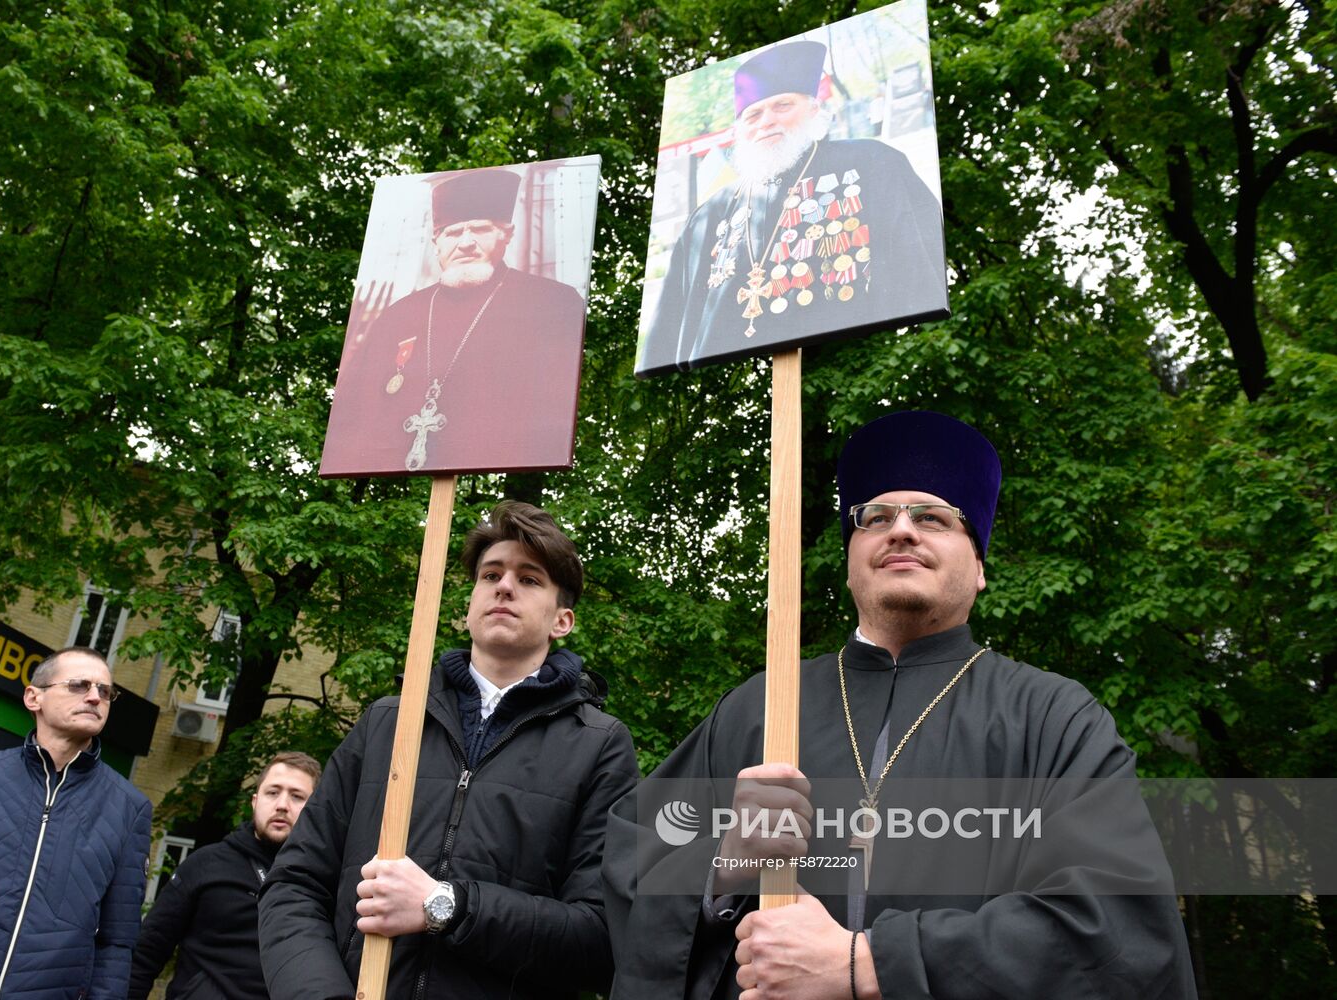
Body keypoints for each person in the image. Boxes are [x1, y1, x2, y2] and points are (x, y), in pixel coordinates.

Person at [604, 411, 1199, 999]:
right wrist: (723, 868)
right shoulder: (759, 708)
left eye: (934, 517)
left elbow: (1115, 927)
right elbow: (631, 861)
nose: (902, 530)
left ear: (981, 566)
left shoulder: (1053, 718)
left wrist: (867, 965)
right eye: (876, 516)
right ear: (850, 555)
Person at [260, 500, 640, 999]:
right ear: (469, 604)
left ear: (562, 621)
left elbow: (601, 937)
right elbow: (294, 886)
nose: (504, 585)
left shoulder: (601, 745)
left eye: (529, 580)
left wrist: (446, 906)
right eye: (490, 575)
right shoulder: (388, 723)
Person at [639, 40, 948, 377]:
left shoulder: (874, 163)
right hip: (739, 376)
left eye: (782, 106)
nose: (766, 121)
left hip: (852, 364)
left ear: (814, 110)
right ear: (738, 131)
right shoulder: (709, 214)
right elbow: (672, 333)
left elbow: (916, 275)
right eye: (753, 114)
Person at [320, 169, 588, 477]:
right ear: (436, 242)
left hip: (496, 471)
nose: (466, 242)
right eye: (452, 232)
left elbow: (548, 418)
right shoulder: (397, 317)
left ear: (506, 235)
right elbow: (356, 417)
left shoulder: (553, 302)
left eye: (480, 229)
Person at [0, 646, 152, 1000]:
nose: (95, 697)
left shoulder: (129, 809)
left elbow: (118, 941)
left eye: (105, 691)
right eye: (79, 685)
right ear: (33, 697)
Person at [127, 751, 322, 1000]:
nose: (282, 804)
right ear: (255, 801)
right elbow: (146, 954)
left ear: (316, 809)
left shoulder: (323, 880)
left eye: (297, 796)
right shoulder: (205, 864)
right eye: (272, 792)